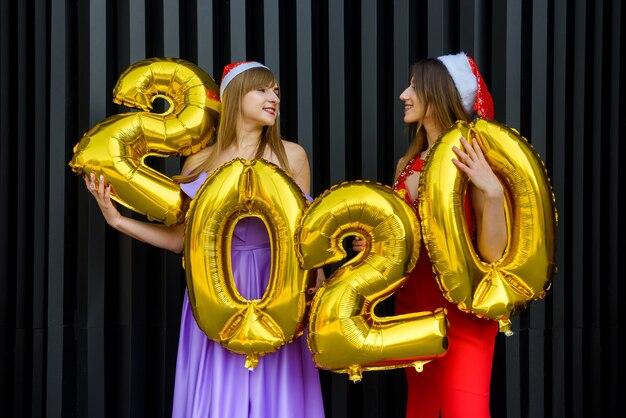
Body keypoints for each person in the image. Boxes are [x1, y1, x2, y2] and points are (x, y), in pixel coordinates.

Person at [84, 61, 325, 418]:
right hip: (215, 290)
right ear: (234, 95)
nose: (273, 97)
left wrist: (317, 290)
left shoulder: (293, 156)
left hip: (278, 289)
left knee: (279, 392)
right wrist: (117, 220)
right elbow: (181, 240)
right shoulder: (200, 162)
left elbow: (307, 235)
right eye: (262, 89)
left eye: (276, 91)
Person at [354, 52, 507, 417]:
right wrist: (374, 244)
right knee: (421, 408)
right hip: (412, 306)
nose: (404, 94)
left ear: (438, 94)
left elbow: (492, 253)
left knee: (462, 408)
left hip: (462, 308)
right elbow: (405, 238)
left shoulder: (471, 157)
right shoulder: (406, 163)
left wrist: (494, 193)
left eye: (414, 86)